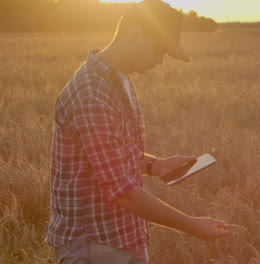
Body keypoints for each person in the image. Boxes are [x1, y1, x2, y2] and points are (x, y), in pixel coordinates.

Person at [46, 0, 231, 263]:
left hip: (122, 234)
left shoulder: (116, 78)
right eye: (159, 49)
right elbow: (122, 192)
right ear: (134, 32)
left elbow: (111, 152)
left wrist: (157, 166)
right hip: (95, 243)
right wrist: (192, 225)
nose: (160, 61)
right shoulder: (92, 93)